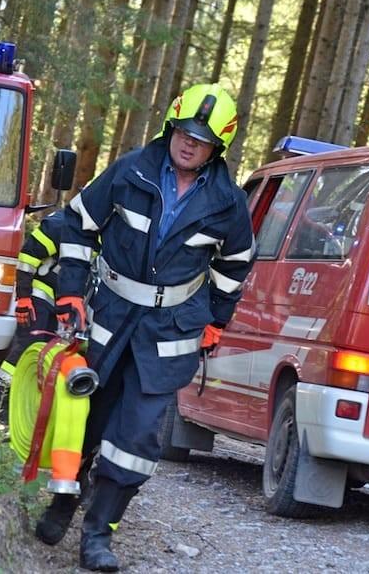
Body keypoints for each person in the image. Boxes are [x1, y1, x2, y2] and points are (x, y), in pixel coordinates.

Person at [36, 83, 255, 572]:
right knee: (85, 416)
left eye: (200, 138)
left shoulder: (228, 201)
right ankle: (63, 500)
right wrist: (70, 290)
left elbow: (235, 265)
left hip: (171, 331)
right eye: (183, 132)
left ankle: (100, 533)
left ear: (217, 147)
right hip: (109, 317)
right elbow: (76, 226)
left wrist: (217, 319)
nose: (189, 142)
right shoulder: (130, 170)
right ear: (170, 128)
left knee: (135, 435)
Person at [0, 208, 66, 421]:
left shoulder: (103, 233)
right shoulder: (60, 224)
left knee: (47, 357)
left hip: (61, 306)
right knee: (25, 350)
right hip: (38, 298)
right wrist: (24, 298)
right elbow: (28, 258)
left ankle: (22, 411)